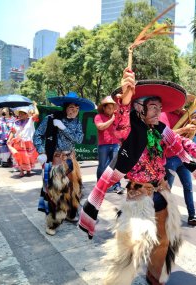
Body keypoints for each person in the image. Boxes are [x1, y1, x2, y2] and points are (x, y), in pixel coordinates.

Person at [78, 68, 196, 285]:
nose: (158, 112)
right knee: (133, 246)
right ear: (139, 108)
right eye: (153, 107)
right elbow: (120, 127)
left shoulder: (159, 128)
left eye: (159, 108)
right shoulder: (131, 129)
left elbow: (181, 143)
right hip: (138, 194)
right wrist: (126, 100)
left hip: (161, 191)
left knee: (164, 241)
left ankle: (154, 279)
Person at [33, 91, 95, 236]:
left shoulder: (77, 122)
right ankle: (52, 223)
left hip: (71, 160)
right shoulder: (50, 119)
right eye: (71, 107)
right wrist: (41, 151)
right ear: (65, 107)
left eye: (77, 108)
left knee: (75, 190)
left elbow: (79, 140)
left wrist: (64, 128)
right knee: (56, 193)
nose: (74, 111)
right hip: (56, 159)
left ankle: (70, 213)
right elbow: (37, 135)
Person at [160, 104, 196, 227]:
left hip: (183, 156)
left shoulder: (184, 115)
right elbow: (163, 135)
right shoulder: (163, 115)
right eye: (180, 103)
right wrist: (184, 129)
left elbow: (191, 135)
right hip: (169, 157)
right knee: (167, 189)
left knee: (188, 187)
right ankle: (162, 216)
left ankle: (192, 215)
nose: (183, 106)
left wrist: (193, 126)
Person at [94, 96, 127, 193]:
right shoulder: (98, 117)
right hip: (103, 145)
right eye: (109, 107)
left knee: (115, 166)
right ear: (104, 108)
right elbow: (100, 127)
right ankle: (100, 186)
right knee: (102, 166)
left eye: (113, 108)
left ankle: (117, 186)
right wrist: (112, 119)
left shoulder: (116, 117)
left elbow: (121, 128)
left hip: (115, 144)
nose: (111, 110)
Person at [7, 104, 39, 177]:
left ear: (26, 115)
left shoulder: (31, 120)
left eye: (22, 114)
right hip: (18, 142)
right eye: (19, 114)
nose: (20, 115)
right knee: (20, 157)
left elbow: (37, 114)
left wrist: (35, 106)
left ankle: (28, 170)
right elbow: (13, 132)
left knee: (28, 157)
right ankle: (21, 171)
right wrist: (9, 139)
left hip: (28, 142)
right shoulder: (16, 122)